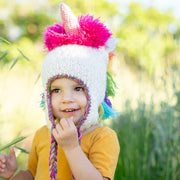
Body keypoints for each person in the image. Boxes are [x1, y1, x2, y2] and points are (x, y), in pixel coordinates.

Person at [0, 3, 120, 180]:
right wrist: (13, 175)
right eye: (56, 90)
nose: (66, 99)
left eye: (78, 88)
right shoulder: (43, 134)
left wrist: (71, 147)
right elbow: (32, 174)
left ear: (94, 93)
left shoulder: (102, 137)